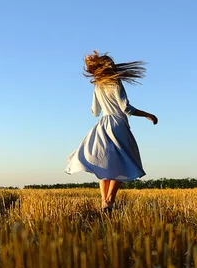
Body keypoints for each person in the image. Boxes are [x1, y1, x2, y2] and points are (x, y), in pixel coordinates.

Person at [65, 50, 158, 211]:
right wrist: (147, 114)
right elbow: (125, 108)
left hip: (103, 125)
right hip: (118, 125)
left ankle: (104, 202)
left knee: (104, 164)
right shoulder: (116, 83)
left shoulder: (98, 87)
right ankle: (110, 200)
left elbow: (95, 112)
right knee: (122, 163)